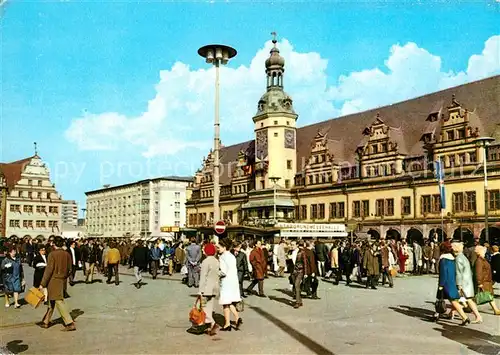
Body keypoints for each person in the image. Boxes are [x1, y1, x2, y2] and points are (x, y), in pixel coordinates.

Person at [39, 237, 76, 331]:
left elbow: (48, 270)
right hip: (62, 280)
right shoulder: (67, 254)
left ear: (54, 244)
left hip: (53, 281)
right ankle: (46, 321)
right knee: (52, 301)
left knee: (58, 301)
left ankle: (69, 323)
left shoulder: (52, 254)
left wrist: (42, 284)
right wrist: (64, 277)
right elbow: (70, 270)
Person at [435, 241, 470, 325]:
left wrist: (441, 284)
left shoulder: (443, 259)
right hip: (452, 281)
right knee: (452, 299)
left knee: (452, 300)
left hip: (446, 283)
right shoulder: (453, 259)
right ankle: (448, 314)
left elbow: (443, 273)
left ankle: (465, 317)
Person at [451, 242, 482, 323]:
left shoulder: (458, 258)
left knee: (465, 299)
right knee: (460, 299)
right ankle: (452, 313)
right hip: (467, 281)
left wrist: (459, 284)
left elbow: (459, 272)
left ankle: (478, 316)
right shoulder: (463, 257)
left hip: (463, 282)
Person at [217, 239, 241, 331]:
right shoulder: (232, 256)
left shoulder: (222, 257)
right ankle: (236, 318)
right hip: (233, 281)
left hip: (226, 282)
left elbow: (223, 272)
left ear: (224, 247)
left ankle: (227, 324)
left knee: (225, 303)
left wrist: (216, 273)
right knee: (229, 301)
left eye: (219, 248)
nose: (218, 249)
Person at [198, 243, 220, 336]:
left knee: (204, 306)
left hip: (206, 288)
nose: (203, 251)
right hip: (215, 287)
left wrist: (200, 290)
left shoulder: (205, 262)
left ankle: (212, 322)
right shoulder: (216, 261)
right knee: (210, 307)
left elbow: (203, 277)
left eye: (204, 249)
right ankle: (209, 327)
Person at [474, 245, 500, 315]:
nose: (485, 252)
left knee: (489, 296)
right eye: (484, 251)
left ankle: (496, 310)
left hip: (486, 281)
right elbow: (478, 272)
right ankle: (465, 307)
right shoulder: (479, 261)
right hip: (484, 281)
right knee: (480, 296)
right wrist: (479, 282)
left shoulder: (482, 259)